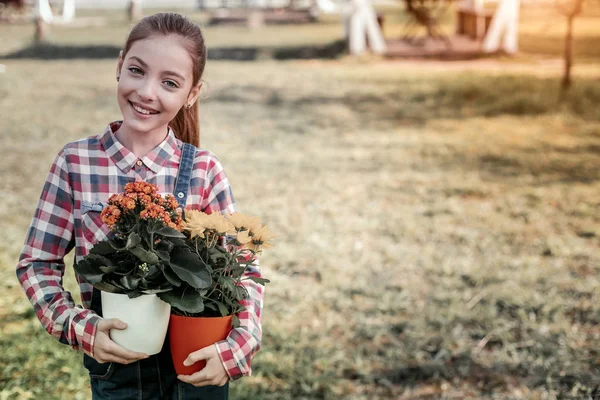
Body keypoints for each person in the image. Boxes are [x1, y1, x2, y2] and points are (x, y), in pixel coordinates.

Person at [16, 12, 264, 399]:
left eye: (169, 82)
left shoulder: (203, 170)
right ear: (119, 67)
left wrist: (239, 345)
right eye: (137, 70)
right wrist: (78, 326)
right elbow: (37, 263)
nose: (147, 92)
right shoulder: (76, 162)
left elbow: (243, 272)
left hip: (197, 362)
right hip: (118, 370)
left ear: (192, 94)